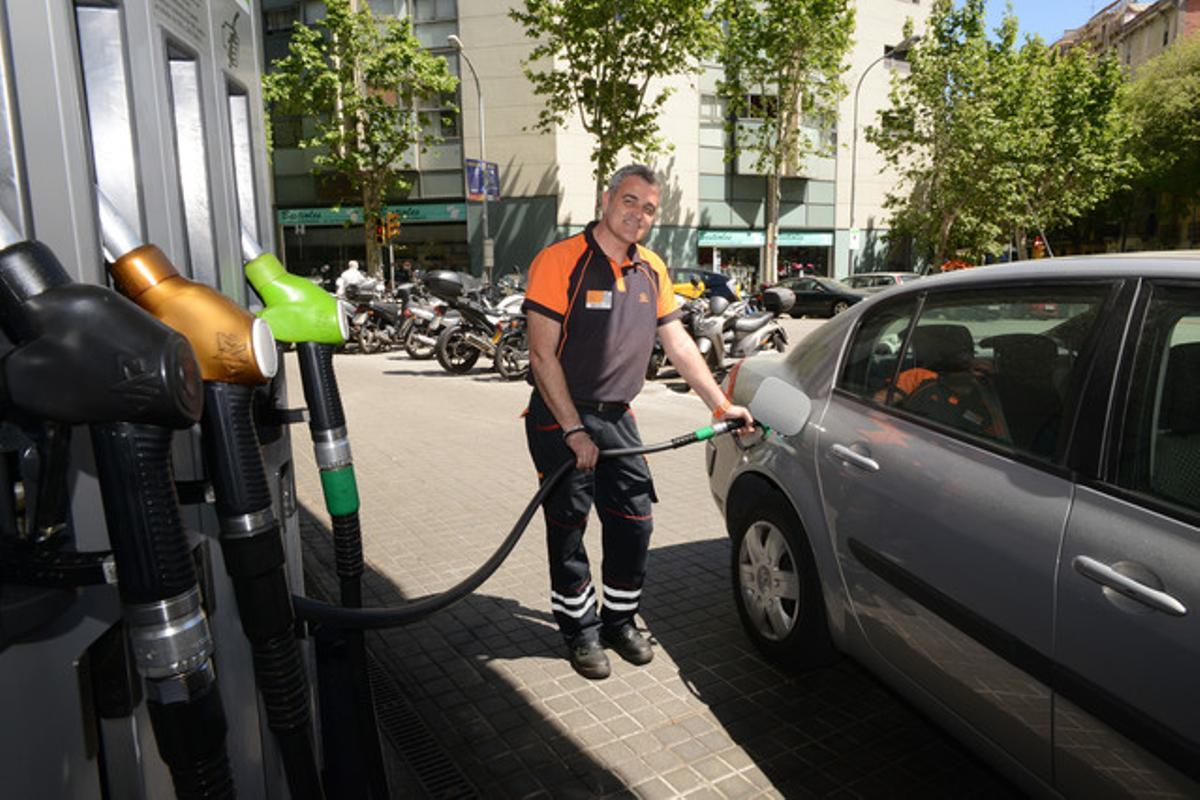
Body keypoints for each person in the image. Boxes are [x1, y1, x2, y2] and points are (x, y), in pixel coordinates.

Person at [522, 164, 753, 680]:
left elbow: (678, 344)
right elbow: (541, 356)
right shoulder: (560, 260)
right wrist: (572, 429)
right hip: (561, 415)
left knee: (633, 521)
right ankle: (579, 630)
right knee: (568, 526)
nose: (638, 215)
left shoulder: (651, 268)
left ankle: (619, 620)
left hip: (617, 417)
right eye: (630, 201)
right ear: (606, 200)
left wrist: (721, 406)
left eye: (649, 209)